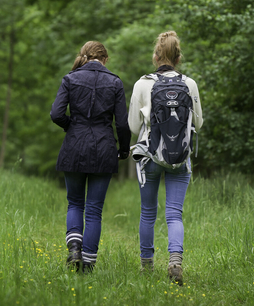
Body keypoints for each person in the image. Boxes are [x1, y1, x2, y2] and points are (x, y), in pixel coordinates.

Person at [128, 31, 203, 284]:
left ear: (156, 55)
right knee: (174, 214)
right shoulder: (189, 84)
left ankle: (147, 266)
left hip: (149, 156)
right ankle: (174, 263)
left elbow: (132, 126)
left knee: (148, 212)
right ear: (178, 57)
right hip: (180, 158)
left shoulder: (142, 84)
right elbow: (199, 123)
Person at [50, 41, 131, 273]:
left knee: (75, 202)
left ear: (85, 57)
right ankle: (87, 267)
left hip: (74, 146)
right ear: (104, 59)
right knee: (94, 209)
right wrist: (123, 150)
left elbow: (56, 113)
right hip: (104, 150)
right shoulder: (115, 82)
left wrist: (71, 126)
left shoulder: (70, 78)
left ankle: (74, 249)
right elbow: (123, 124)